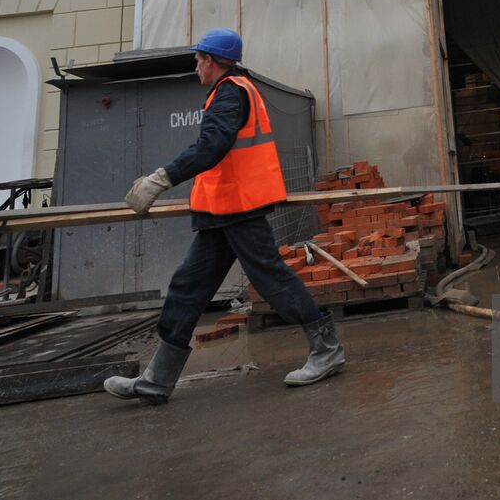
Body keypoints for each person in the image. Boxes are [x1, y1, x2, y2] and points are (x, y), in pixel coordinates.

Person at [104, 28, 345, 405]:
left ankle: (326, 348)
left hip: (240, 207)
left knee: (271, 278)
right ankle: (157, 379)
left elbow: (212, 146)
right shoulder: (229, 91)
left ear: (213, 61)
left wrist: (161, 179)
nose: (196, 65)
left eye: (199, 59)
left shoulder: (231, 92)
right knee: (188, 287)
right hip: (222, 210)